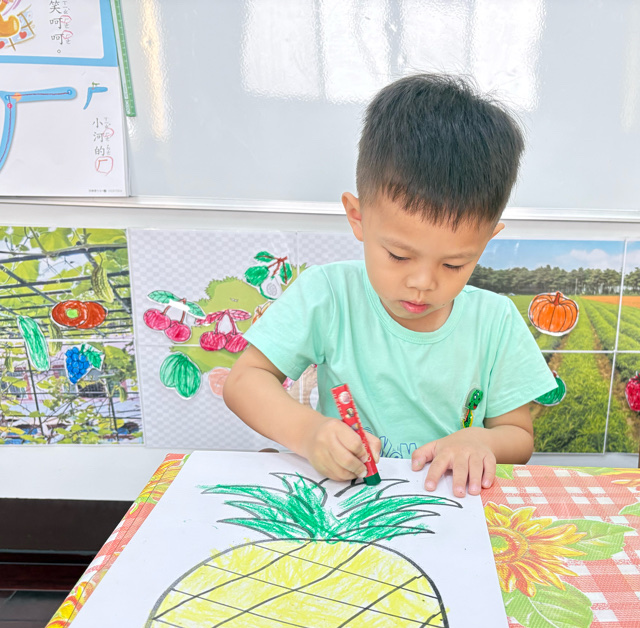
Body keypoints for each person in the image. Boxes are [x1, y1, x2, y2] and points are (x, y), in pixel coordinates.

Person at [224, 74, 554, 497]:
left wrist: (482, 442)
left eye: (454, 264)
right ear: (358, 217)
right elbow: (244, 381)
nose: (422, 283)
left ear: (487, 240)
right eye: (398, 256)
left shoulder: (495, 321)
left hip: (452, 509)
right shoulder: (328, 295)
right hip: (347, 502)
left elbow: (518, 435)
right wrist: (308, 433)